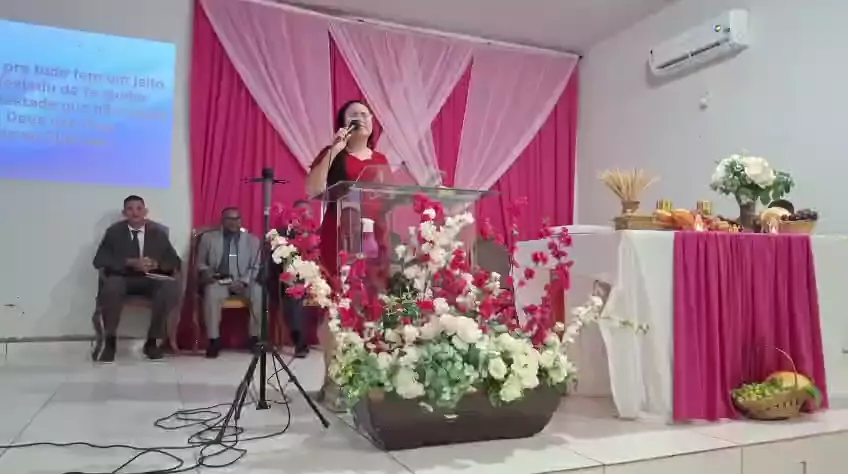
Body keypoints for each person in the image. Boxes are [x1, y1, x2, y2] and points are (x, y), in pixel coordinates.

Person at [305, 100, 390, 408]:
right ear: (343, 123)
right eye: (354, 115)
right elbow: (313, 189)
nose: (361, 118)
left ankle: (363, 379)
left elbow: (388, 200)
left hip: (373, 240)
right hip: (338, 238)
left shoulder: (380, 160)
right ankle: (333, 380)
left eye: (365, 114)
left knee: (368, 311)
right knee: (335, 309)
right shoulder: (334, 154)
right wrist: (335, 148)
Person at [93, 195, 181, 363]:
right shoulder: (114, 233)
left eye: (139, 209)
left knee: (169, 289)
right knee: (112, 287)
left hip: (150, 279)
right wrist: (130, 262)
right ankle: (110, 342)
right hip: (123, 278)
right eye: (130, 209)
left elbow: (174, 261)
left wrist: (156, 264)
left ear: (145, 211)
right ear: (124, 213)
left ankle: (152, 341)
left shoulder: (158, 233)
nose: (135, 213)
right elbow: (100, 260)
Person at [197, 207, 262, 359]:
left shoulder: (252, 240)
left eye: (236, 219)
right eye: (229, 219)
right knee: (211, 293)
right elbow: (200, 263)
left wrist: (244, 281)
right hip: (219, 280)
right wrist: (207, 273)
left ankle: (254, 338)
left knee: (259, 292)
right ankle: (214, 340)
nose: (233, 222)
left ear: (241, 220)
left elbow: (255, 266)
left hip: (244, 281)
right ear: (222, 220)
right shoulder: (208, 238)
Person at [280, 199, 313, 358]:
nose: (303, 216)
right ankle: (299, 340)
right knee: (294, 295)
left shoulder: (319, 234)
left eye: (307, 213)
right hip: (295, 279)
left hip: (319, 278)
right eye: (300, 213)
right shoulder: (284, 236)